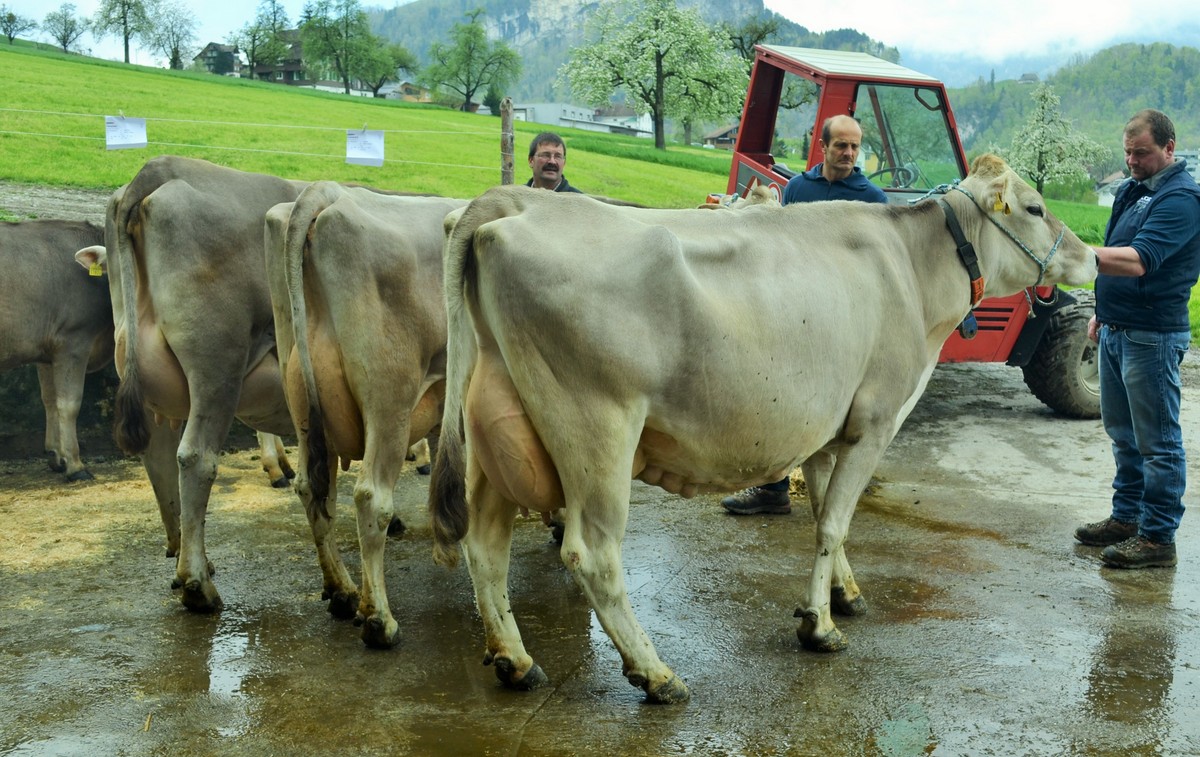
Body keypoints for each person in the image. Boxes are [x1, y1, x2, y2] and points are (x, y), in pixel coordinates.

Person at [722, 114, 888, 515]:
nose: (848, 154)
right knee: (779, 397)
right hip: (794, 314)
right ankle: (773, 489)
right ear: (823, 147)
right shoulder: (798, 187)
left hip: (845, 322)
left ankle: (842, 487)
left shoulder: (873, 200)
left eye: (854, 147)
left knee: (843, 407)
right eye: (840, 146)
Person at [1073, 109, 1200, 568]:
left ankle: (1157, 538)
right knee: (1123, 435)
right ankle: (1126, 518)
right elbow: (1112, 260)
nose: (1131, 161)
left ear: (1169, 148)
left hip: (1152, 335)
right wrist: (1100, 312)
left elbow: (1140, 260)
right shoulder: (1131, 190)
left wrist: (1073, 255)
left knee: (1158, 441)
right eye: (1127, 152)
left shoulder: (1182, 198)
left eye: (1141, 152)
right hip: (1116, 328)